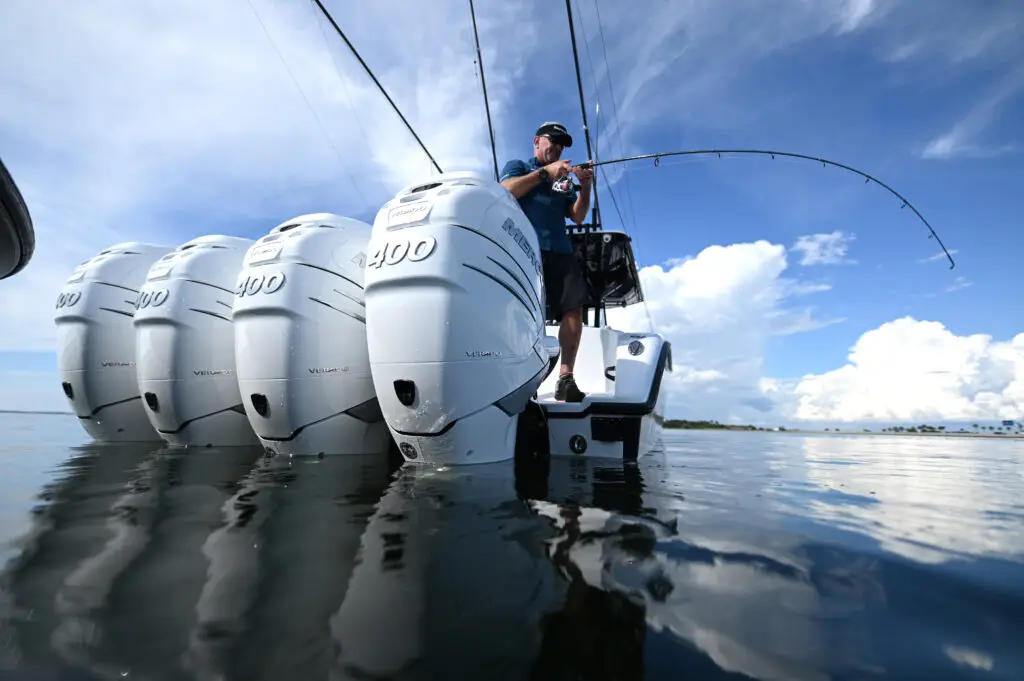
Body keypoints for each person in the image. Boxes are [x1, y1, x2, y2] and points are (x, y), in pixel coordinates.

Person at [499, 121, 593, 403]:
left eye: (562, 144)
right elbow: (507, 190)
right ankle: (520, 380)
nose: (559, 147)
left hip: (561, 252)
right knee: (527, 315)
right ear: (537, 141)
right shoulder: (519, 166)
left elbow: (577, 216)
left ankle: (566, 378)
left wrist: (585, 186)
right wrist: (544, 174)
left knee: (574, 309)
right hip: (526, 252)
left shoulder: (564, 181)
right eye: (554, 140)